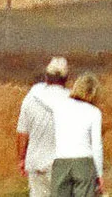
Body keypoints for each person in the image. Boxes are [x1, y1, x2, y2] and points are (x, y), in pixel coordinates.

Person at [15, 55, 74, 194]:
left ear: (47, 76)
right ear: (66, 79)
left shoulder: (31, 97)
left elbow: (22, 133)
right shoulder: (73, 101)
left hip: (35, 166)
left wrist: (22, 159)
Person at [54, 69, 108, 197]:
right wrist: (99, 174)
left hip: (61, 161)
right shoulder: (94, 112)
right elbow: (96, 146)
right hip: (84, 163)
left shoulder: (59, 107)